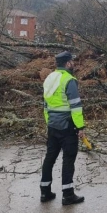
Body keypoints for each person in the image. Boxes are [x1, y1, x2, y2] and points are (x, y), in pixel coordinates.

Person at [39, 51, 85, 205]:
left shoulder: (50, 78)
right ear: (67, 63)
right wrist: (80, 127)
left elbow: (45, 104)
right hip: (68, 126)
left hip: (52, 125)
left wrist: (50, 122)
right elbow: (76, 106)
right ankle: (68, 194)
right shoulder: (69, 80)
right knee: (68, 159)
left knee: (50, 158)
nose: (74, 64)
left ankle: (45, 192)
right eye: (72, 61)